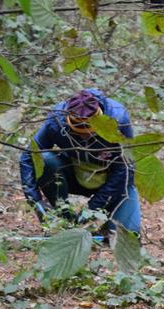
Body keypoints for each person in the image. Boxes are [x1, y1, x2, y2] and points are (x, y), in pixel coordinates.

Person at [19, 89, 141, 239]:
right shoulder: (57, 120)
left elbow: (125, 169)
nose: (84, 137)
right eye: (78, 132)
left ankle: (107, 220)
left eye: (88, 132)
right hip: (75, 175)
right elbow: (28, 155)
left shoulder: (117, 120)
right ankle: (65, 219)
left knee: (129, 236)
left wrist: (93, 208)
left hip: (111, 181)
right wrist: (34, 200)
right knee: (45, 159)